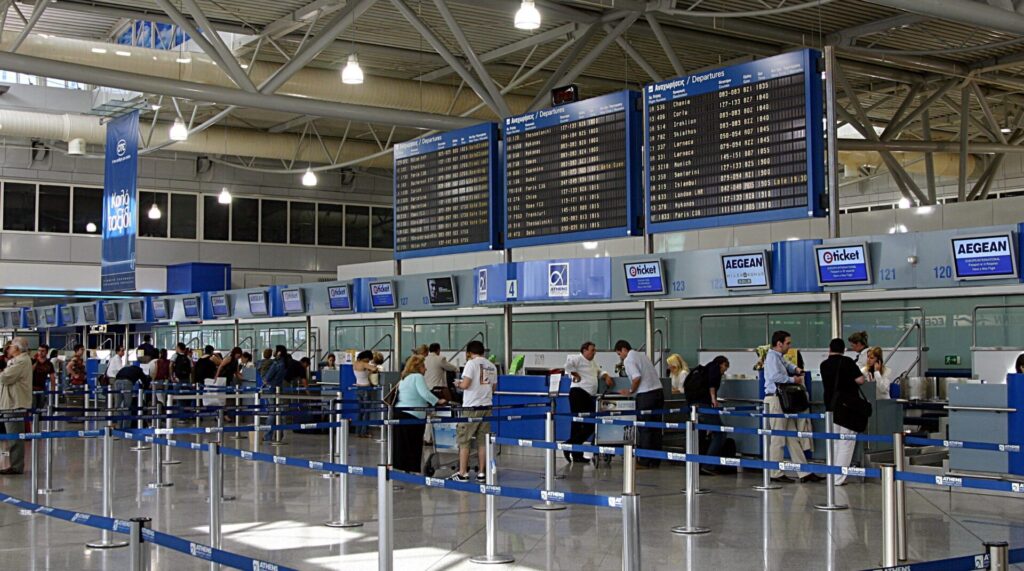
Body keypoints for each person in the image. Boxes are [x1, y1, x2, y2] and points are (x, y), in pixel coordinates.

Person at [763, 330, 822, 483]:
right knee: (778, 438)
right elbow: (775, 376)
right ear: (779, 343)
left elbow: (787, 365)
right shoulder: (771, 357)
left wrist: (796, 369)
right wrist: (792, 380)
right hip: (775, 400)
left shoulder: (778, 357)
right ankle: (775, 472)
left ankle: (804, 472)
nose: (789, 346)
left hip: (782, 401)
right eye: (787, 343)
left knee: (792, 437)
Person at [821, 338, 868, 486]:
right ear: (844, 350)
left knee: (834, 442)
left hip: (830, 407)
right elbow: (860, 380)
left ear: (830, 349)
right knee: (846, 443)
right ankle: (839, 478)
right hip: (847, 407)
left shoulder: (824, 365)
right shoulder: (847, 362)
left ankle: (831, 475)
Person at [449, 340, 496, 483]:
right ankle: (482, 473)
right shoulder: (491, 366)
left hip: (471, 407)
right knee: (482, 441)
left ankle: (463, 473)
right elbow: (493, 388)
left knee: (464, 440)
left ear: (469, 352)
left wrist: (458, 384)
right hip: (487, 406)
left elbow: (466, 384)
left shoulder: (471, 364)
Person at [392, 355, 446, 473]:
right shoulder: (417, 377)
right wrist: (438, 401)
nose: (425, 369)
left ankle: (403, 469)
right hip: (413, 415)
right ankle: (411, 469)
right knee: (414, 444)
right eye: (423, 366)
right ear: (417, 367)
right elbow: (424, 393)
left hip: (400, 412)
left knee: (402, 445)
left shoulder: (404, 378)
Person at [615, 340, 664, 468]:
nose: (620, 357)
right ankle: (655, 461)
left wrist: (630, 391)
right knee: (656, 428)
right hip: (658, 393)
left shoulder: (629, 359)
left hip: (646, 395)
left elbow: (636, 377)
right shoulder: (642, 356)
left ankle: (644, 461)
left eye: (619, 354)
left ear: (624, 349)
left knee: (645, 428)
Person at [562, 341, 613, 462]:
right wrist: (575, 374)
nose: (594, 352)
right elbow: (567, 366)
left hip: (588, 395)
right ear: (584, 351)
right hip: (579, 393)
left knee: (581, 425)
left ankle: (575, 452)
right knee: (584, 424)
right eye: (592, 350)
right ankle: (569, 445)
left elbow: (599, 372)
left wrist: (606, 376)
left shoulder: (592, 362)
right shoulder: (577, 359)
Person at [684, 356, 730, 474]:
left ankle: (695, 465)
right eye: (725, 367)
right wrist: (714, 400)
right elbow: (712, 384)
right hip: (704, 406)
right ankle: (708, 465)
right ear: (722, 364)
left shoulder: (702, 370)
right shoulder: (714, 368)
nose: (724, 371)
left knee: (698, 436)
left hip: (693, 406)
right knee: (720, 433)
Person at [0, 338, 32, 475]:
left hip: (15, 403)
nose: (9, 348)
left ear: (17, 348)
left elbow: (5, 378)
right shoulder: (16, 361)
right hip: (9, 402)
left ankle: (16, 466)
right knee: (11, 436)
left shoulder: (22, 361)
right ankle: (14, 464)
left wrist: (3, 373)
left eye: (11, 346)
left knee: (14, 437)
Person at [113, 363, 150, 430]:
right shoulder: (139, 370)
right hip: (127, 382)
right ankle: (126, 428)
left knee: (117, 405)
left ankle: (118, 426)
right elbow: (144, 381)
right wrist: (145, 388)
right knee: (127, 406)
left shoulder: (125, 368)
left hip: (117, 382)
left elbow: (117, 375)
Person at [353, 350, 380, 438]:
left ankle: (358, 431)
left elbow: (363, 374)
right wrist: (373, 367)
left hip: (358, 388)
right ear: (366, 358)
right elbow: (375, 369)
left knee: (360, 411)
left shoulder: (355, 363)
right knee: (366, 412)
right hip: (366, 389)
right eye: (369, 359)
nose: (369, 361)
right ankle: (364, 432)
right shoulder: (364, 364)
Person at [31, 345, 55, 411]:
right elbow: (29, 372)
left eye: (42, 351)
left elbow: (52, 377)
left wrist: (53, 389)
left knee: (40, 408)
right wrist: (36, 361)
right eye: (39, 350)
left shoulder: (49, 364)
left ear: (46, 352)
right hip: (31, 388)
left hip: (42, 388)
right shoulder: (32, 361)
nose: (40, 352)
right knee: (33, 407)